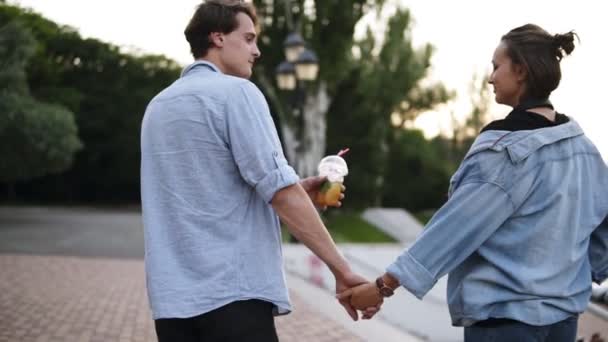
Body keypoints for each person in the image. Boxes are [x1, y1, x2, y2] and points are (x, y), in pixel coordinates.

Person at [339, 23, 608, 342]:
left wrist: (383, 287)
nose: (491, 77)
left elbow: (455, 228)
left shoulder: (505, 151)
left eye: (497, 67)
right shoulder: (585, 150)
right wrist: (569, 277)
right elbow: (602, 231)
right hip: (563, 321)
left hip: (506, 322)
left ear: (520, 71)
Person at [140, 1, 371, 341]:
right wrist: (343, 271)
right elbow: (281, 192)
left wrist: (287, 195)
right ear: (218, 38)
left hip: (173, 303)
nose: (257, 50)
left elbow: (200, 202)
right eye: (248, 39)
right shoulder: (237, 93)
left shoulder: (157, 107)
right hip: (234, 297)